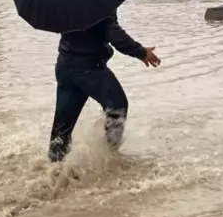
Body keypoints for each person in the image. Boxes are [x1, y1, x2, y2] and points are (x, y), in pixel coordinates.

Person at [48, 12, 161, 162]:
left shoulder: (66, 1)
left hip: (64, 66)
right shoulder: (100, 0)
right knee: (117, 107)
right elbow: (115, 35)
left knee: (63, 125)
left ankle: (54, 167)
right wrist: (141, 52)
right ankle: (111, 157)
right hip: (90, 69)